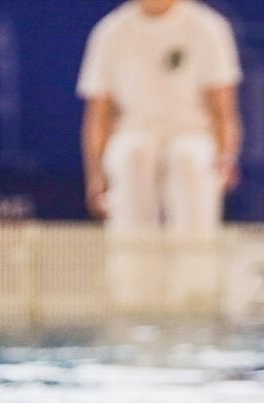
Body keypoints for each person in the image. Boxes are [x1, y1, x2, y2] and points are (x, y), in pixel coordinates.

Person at [76, 0, 242, 233]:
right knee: (131, 157)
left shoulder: (209, 27)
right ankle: (131, 265)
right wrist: (96, 175)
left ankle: (196, 266)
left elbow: (223, 109)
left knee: (189, 160)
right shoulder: (111, 31)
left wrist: (226, 157)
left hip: (192, 133)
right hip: (133, 132)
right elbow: (99, 113)